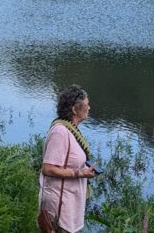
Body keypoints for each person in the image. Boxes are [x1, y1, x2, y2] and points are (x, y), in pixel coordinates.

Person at [38, 85, 97, 233]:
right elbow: (48, 168)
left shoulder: (71, 129)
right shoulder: (60, 132)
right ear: (74, 109)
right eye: (86, 105)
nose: (89, 108)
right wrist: (79, 173)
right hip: (58, 205)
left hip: (68, 203)